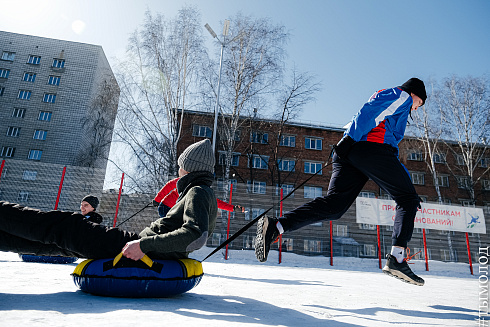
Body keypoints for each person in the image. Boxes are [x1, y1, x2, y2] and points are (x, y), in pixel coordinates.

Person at [255, 78, 427, 286]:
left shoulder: (392, 97)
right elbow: (370, 113)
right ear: (416, 94)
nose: (417, 108)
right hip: (369, 148)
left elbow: (369, 116)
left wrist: (348, 141)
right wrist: (350, 139)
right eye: (420, 103)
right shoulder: (402, 96)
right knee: (408, 199)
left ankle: (277, 226)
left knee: (335, 205)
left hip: (355, 150)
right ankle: (397, 258)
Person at [0, 139, 218, 261]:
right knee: (63, 241)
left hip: (136, 247)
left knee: (67, 226)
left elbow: (196, 236)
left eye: (181, 165)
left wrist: (143, 244)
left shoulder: (198, 192)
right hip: (136, 244)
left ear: (188, 168)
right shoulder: (199, 192)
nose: (177, 169)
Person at [153, 177, 245, 218]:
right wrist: (157, 200)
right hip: (166, 207)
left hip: (177, 211)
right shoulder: (186, 181)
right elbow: (169, 185)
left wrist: (232, 208)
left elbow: (213, 201)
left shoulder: (200, 190)